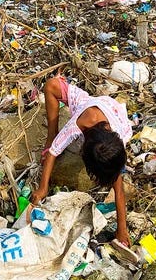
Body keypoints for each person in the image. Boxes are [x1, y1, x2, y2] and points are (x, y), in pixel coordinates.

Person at [30, 75, 135, 251]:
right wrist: (42, 188)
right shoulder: (77, 125)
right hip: (89, 104)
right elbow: (53, 152)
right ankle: (51, 133)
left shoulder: (117, 139)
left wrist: (122, 229)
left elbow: (119, 189)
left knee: (114, 175)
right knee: (51, 85)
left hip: (113, 112)